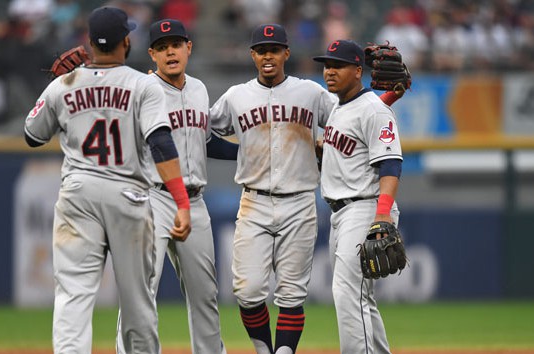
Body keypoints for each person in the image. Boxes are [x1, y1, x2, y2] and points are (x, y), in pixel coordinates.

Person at [209, 25, 403, 354]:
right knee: (249, 290)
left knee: (321, 293)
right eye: (261, 49)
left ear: (287, 53)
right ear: (252, 55)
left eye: (275, 48)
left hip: (310, 202)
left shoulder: (313, 94)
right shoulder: (237, 96)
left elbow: (361, 117)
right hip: (258, 201)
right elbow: (348, 121)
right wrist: (239, 152)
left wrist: (384, 100)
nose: (268, 54)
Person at [23, 7, 192, 353]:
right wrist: (182, 201)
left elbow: (31, 135)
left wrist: (58, 85)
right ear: (126, 41)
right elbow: (161, 144)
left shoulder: (62, 85)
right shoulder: (143, 85)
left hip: (78, 194)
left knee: (73, 295)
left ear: (88, 43)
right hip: (128, 195)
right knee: (137, 300)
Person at [116, 18, 236, 354]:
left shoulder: (198, 89)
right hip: (152, 196)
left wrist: (249, 153)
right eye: (163, 47)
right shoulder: (140, 91)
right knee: (141, 290)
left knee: (205, 296)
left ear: (189, 48)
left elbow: (206, 142)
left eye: (177, 44)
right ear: (152, 53)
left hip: (195, 201)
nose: (171, 51)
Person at [313, 39, 403, 353]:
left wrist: (381, 215)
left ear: (358, 70)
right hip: (341, 212)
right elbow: (360, 125)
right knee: (361, 296)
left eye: (338, 65)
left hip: (365, 208)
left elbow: (390, 165)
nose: (329, 72)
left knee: (346, 291)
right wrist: (393, 95)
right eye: (327, 65)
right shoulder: (343, 106)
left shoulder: (374, 110)